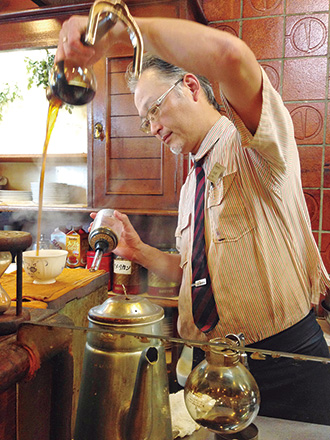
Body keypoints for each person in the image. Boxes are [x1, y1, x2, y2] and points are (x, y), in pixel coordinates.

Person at [56, 13, 330, 425]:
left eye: (154, 110)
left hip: (285, 366)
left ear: (188, 85)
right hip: (214, 369)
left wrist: (124, 30)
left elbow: (229, 56)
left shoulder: (253, 146)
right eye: (144, 119)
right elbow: (195, 273)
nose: (150, 127)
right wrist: (139, 250)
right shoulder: (192, 184)